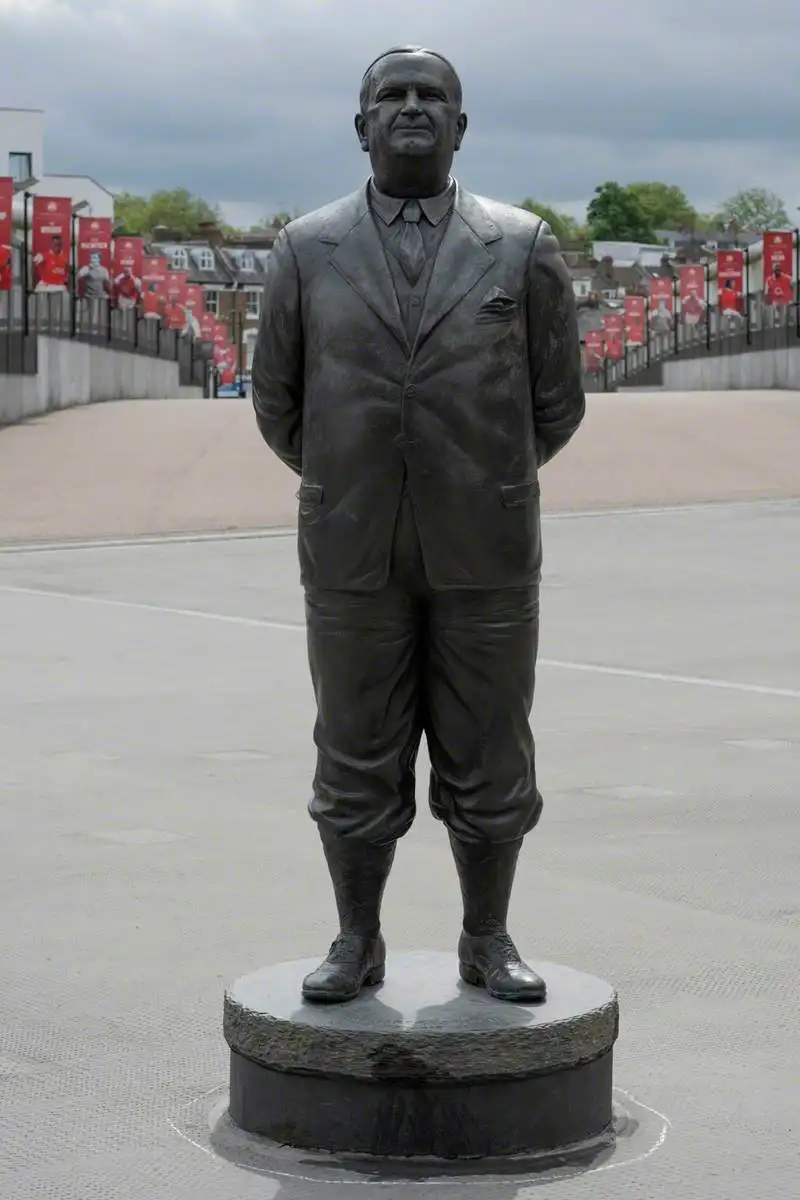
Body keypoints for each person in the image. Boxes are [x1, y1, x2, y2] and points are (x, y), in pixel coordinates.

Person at [252, 46, 586, 1004]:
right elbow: (278, 404)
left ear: (460, 125)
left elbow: (555, 406)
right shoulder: (304, 249)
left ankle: (488, 937)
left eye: (429, 96)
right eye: (389, 96)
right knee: (353, 753)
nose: (409, 107)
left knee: (491, 751)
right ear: (359, 125)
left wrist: (478, 482)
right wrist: (355, 483)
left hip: (486, 551)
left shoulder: (521, 245)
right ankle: (357, 940)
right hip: (353, 551)